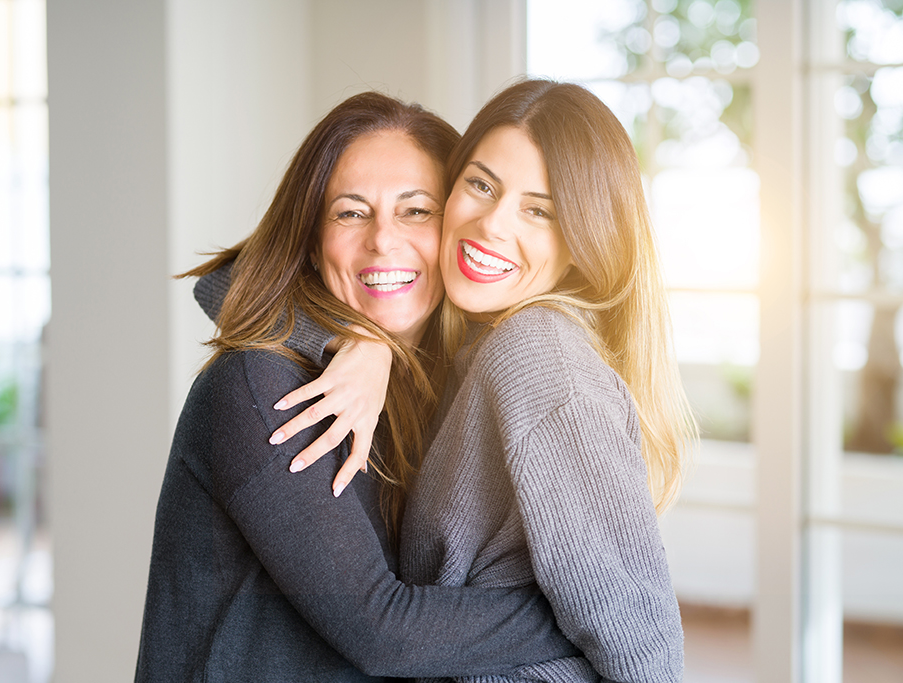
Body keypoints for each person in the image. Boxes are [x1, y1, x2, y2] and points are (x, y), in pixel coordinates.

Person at [134, 91, 579, 682]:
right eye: (349, 212)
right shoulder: (261, 387)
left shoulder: (445, 378)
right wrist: (589, 614)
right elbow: (384, 633)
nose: (382, 239)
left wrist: (369, 345)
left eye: (416, 211)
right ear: (312, 240)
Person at [272, 79, 698, 682]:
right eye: (481, 185)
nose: (492, 225)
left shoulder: (536, 353)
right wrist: (357, 339)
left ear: (582, 240)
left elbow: (641, 643)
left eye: (539, 209)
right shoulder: (471, 342)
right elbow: (242, 280)